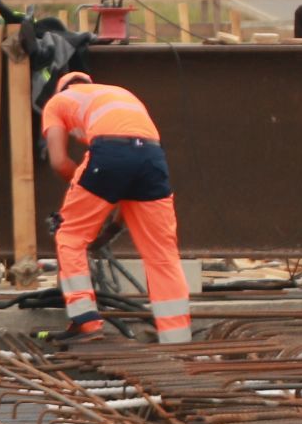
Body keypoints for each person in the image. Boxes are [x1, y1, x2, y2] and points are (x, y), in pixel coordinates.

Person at [40, 71, 190, 346]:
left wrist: (93, 198)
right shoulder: (121, 94)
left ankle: (86, 322)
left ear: (62, 89)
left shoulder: (58, 102)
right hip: (152, 157)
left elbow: (60, 162)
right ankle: (176, 337)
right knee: (162, 254)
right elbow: (132, 175)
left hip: (109, 153)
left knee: (70, 236)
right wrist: (113, 223)